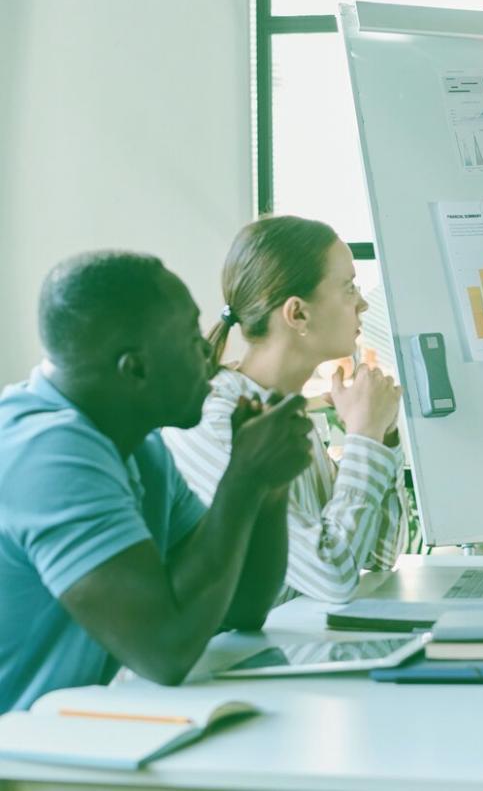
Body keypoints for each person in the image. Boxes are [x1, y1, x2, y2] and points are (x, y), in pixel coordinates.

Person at [0, 251, 313, 712]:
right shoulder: (48, 453)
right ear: (135, 369)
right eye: (191, 338)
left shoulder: (140, 447)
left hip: (59, 743)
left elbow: (239, 609)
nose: (210, 353)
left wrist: (268, 486)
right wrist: (243, 479)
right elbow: (164, 650)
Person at [165, 216, 417, 605]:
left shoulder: (285, 410)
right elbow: (333, 578)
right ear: (298, 314)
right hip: (229, 658)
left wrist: (381, 435)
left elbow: (380, 554)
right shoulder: (220, 419)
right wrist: (364, 438)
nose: (363, 303)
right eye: (348, 288)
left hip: (287, 646)